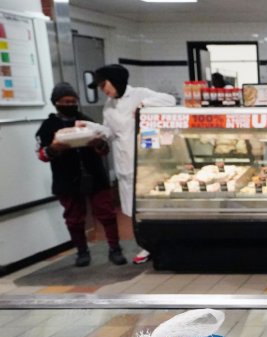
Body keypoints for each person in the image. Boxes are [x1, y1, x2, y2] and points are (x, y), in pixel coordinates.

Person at [89, 64, 176, 264]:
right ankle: (145, 246)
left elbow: (170, 100)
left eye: (105, 85)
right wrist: (93, 131)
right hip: (125, 164)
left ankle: (160, 243)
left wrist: (144, 104)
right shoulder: (108, 106)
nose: (104, 90)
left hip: (149, 162)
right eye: (101, 87)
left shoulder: (139, 94)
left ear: (116, 80)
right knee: (132, 209)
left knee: (151, 205)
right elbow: (110, 132)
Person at [35, 82, 126, 267]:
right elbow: (42, 155)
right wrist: (54, 148)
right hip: (66, 179)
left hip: (96, 177)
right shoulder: (47, 126)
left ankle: (115, 250)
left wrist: (98, 144)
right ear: (55, 102)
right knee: (74, 218)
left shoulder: (86, 121)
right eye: (64, 101)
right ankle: (82, 252)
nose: (69, 104)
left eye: (72, 101)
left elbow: (105, 149)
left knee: (107, 214)